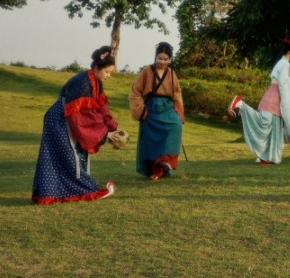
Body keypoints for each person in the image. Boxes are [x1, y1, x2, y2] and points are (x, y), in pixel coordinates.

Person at [32, 46, 121, 204]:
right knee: (70, 157)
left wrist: (112, 128)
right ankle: (87, 191)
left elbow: (101, 108)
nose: (108, 76)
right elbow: (83, 116)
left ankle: (54, 194)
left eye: (110, 73)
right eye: (107, 72)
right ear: (96, 68)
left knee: (72, 156)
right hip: (61, 120)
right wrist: (103, 133)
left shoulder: (96, 82)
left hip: (67, 119)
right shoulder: (84, 83)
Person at [227, 40, 290, 164]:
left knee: (272, 128)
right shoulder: (285, 64)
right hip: (275, 98)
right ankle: (240, 104)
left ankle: (266, 157)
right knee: (264, 124)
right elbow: (282, 84)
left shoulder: (281, 62)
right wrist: (288, 97)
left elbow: (282, 81)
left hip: (272, 95)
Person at [129, 42, 185, 180]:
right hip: (151, 109)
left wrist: (180, 111)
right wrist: (140, 109)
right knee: (150, 139)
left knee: (176, 127)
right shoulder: (147, 71)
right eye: (160, 58)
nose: (162, 62)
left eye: (166, 59)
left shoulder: (172, 74)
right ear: (155, 57)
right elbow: (135, 91)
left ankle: (165, 163)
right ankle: (156, 169)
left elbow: (177, 93)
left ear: (170, 60)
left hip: (168, 108)